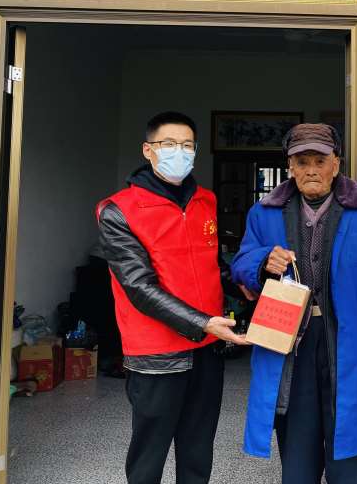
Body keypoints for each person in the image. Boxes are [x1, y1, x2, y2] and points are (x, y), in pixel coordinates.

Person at [231, 123, 357, 484]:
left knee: (350, 455)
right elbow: (241, 262)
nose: (311, 170)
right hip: (291, 345)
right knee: (298, 455)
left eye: (320, 161)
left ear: (336, 164)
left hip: (351, 343)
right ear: (290, 167)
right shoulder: (265, 212)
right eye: (302, 162)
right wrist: (262, 261)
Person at [96, 111, 249, 484]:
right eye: (168, 144)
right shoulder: (118, 210)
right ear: (148, 150)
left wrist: (243, 284)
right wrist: (202, 322)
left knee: (198, 450)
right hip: (156, 353)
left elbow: (211, 264)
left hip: (208, 348)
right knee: (149, 454)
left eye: (187, 145)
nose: (178, 152)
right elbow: (139, 287)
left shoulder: (205, 200)